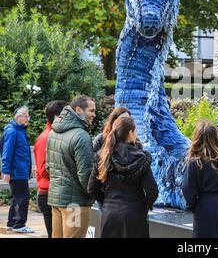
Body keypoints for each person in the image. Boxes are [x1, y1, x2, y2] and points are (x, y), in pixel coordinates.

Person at [88, 117, 158, 238]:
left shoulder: (104, 157)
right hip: (134, 213)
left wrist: (106, 202)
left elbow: (92, 188)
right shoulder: (141, 158)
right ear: (130, 132)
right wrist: (144, 205)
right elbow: (152, 191)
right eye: (135, 131)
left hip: (110, 213)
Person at [46, 95, 96, 238]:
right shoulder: (81, 136)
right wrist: (96, 194)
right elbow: (86, 175)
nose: (94, 115)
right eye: (91, 111)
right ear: (79, 109)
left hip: (57, 200)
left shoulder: (53, 132)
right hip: (75, 204)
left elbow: (49, 167)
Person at [33, 100, 67, 238]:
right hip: (48, 194)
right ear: (56, 117)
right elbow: (43, 170)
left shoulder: (56, 135)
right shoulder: (46, 137)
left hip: (56, 193)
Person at [1, 106, 34, 233]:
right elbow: (6, 152)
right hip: (16, 171)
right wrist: (6, 171)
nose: (28, 118)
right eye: (26, 116)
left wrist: (29, 169)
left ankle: (12, 222)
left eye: (28, 115)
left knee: (17, 197)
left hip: (21, 170)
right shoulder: (12, 131)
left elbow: (23, 152)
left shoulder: (20, 130)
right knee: (22, 197)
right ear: (18, 117)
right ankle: (19, 225)